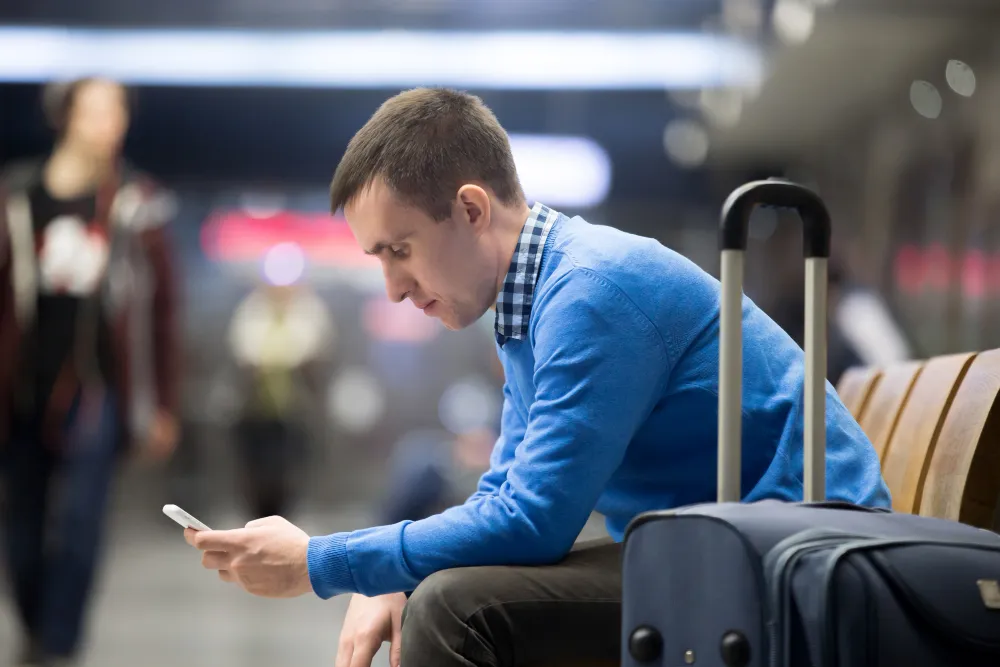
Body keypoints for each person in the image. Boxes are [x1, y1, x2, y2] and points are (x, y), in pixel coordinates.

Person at [184, 88, 890, 667]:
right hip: (726, 541)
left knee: (455, 607)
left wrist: (323, 560)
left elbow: (531, 523)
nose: (395, 287)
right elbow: (506, 493)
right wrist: (395, 566)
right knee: (441, 585)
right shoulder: (533, 298)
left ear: (470, 209)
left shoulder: (591, 292)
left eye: (400, 250)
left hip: (797, 559)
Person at [0, 77, 181, 667]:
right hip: (21, 388)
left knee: (81, 522)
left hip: (98, 389)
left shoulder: (138, 201)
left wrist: (162, 405)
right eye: (96, 110)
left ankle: (59, 646)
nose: (110, 123)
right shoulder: (17, 198)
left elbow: (162, 311)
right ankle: (34, 628)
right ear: (65, 116)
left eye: (118, 112)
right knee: (21, 529)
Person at [226, 279, 334, 520]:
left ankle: (282, 520)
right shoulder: (251, 313)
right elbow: (241, 358)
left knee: (288, 472)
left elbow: (317, 359)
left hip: (294, 412)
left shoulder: (309, 314)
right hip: (254, 412)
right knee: (256, 472)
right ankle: (258, 519)